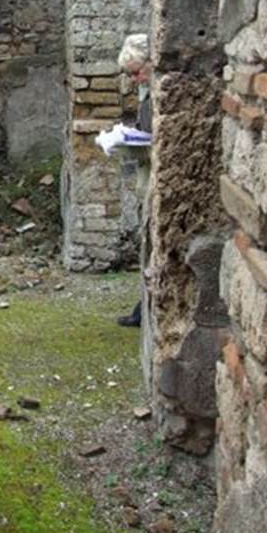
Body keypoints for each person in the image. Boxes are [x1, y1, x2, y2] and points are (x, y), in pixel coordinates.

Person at [114, 33, 151, 328]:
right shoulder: (146, 93)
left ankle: (144, 311)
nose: (136, 79)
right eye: (132, 75)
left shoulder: (159, 91)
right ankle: (143, 310)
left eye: (138, 72)